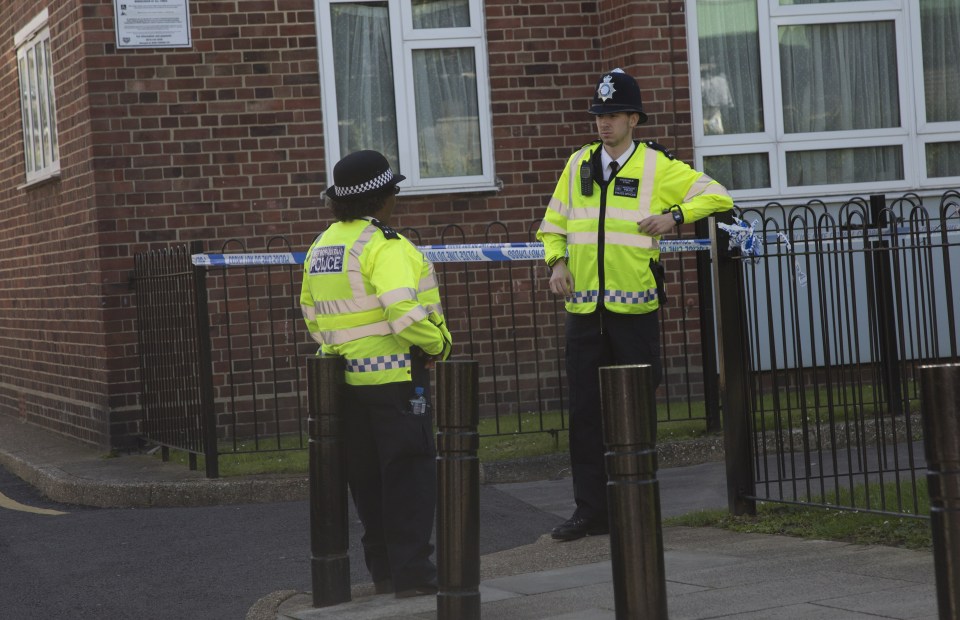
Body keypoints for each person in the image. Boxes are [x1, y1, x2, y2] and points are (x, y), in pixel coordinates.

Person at [537, 68, 733, 542]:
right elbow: (553, 223)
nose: (603, 124)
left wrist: (675, 216)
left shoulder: (657, 166)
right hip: (584, 313)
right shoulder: (578, 162)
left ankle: (636, 505)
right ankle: (590, 512)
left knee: (635, 411)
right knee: (584, 414)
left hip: (634, 312)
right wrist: (556, 262)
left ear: (633, 119)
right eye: (599, 116)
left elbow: (718, 195)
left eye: (613, 115)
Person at [300, 150, 452, 596]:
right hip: (395, 381)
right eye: (394, 191)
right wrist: (438, 343)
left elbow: (312, 313)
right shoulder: (386, 245)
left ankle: (384, 572)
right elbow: (403, 309)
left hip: (344, 384)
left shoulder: (323, 246)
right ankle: (414, 576)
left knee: (366, 481)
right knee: (408, 478)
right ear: (382, 198)